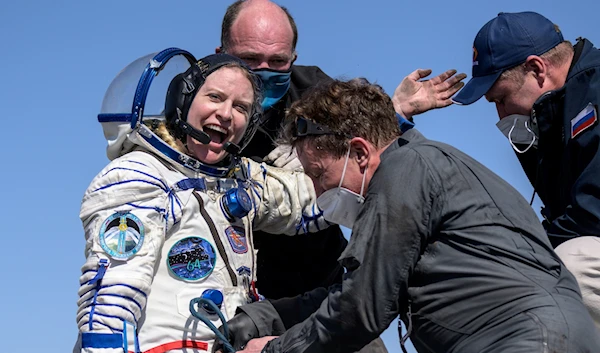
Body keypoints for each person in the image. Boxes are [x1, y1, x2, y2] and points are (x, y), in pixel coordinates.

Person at [221, 78, 600, 353]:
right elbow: (356, 289)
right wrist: (268, 315)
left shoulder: (404, 173)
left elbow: (359, 309)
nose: (317, 192)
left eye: (319, 175)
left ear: (360, 152)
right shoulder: (427, 168)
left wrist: (275, 350)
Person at [73, 50, 330, 353]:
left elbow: (318, 198)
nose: (225, 113)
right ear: (183, 101)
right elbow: (110, 307)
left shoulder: (239, 178)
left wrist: (323, 159)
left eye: (241, 107)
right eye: (215, 97)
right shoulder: (140, 176)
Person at [216, 0, 467, 302]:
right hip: (236, 293)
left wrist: (395, 111)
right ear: (221, 55)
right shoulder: (199, 106)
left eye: (278, 61)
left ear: (293, 58)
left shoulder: (313, 90)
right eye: (250, 59)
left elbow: (364, 145)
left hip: (325, 286)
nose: (264, 71)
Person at [451, 11, 600, 329]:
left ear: (536, 68)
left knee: (571, 265)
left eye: (501, 98)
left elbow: (593, 214)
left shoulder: (595, 92)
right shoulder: (556, 111)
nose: (500, 112)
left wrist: (507, 257)